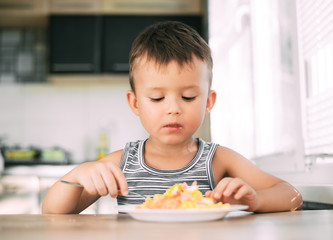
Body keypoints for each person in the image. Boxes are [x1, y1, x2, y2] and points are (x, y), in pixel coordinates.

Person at [42, 21, 302, 214]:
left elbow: (291, 195)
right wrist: (76, 176)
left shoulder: (219, 160)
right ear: (135, 103)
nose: (173, 109)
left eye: (188, 97)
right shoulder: (122, 164)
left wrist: (256, 200)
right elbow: (52, 213)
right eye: (157, 99)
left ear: (209, 102)